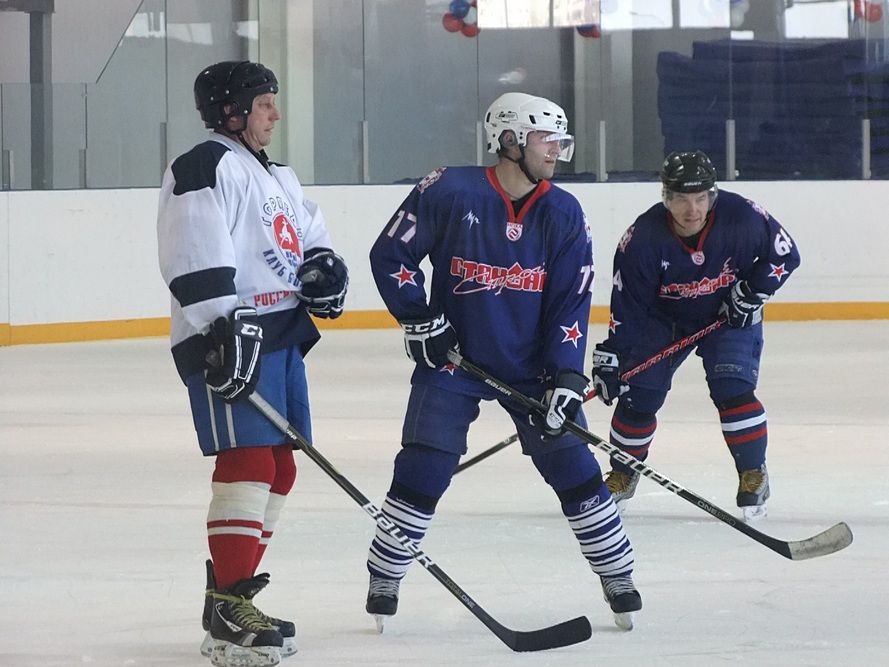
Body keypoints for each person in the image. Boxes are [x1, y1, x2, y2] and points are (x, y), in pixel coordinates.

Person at [363, 92, 642, 633]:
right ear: (509, 139)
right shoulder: (449, 188)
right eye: (546, 138)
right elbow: (390, 255)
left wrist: (565, 377)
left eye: (562, 139)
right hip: (454, 362)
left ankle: (618, 574)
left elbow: (570, 303)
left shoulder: (563, 212)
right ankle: (385, 575)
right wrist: (418, 317)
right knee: (423, 466)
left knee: (576, 471)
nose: (558, 150)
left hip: (531, 369)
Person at [157, 60, 348, 667]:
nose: (276, 114)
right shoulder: (204, 167)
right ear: (232, 111)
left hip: (281, 335)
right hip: (230, 334)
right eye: (265, 103)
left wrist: (323, 269)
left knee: (282, 467)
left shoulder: (276, 174)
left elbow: (307, 233)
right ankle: (230, 601)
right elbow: (191, 247)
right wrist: (219, 320)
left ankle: (229, 592)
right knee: (248, 461)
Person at [591, 150, 800, 522]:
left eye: (701, 198)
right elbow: (628, 308)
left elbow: (786, 255)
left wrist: (752, 292)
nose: (693, 209)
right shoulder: (641, 241)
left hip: (727, 315)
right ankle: (623, 473)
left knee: (732, 387)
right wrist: (615, 357)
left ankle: (753, 473)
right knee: (640, 396)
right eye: (683, 199)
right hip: (663, 319)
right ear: (666, 198)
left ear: (712, 195)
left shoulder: (742, 216)